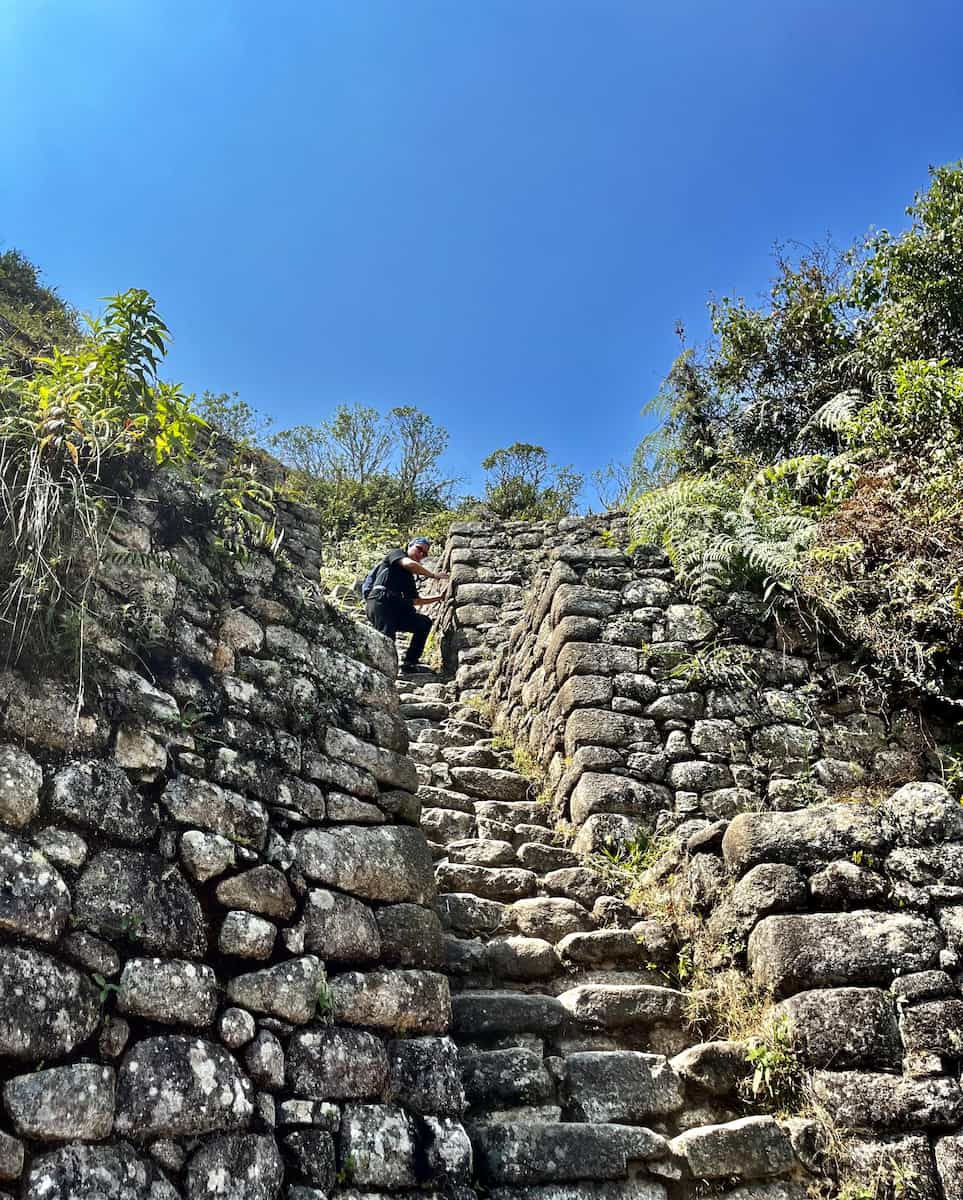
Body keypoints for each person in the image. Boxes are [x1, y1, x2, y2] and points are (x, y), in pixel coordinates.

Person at [364, 537, 449, 673]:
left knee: (423, 623)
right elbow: (408, 564)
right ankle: (382, 671)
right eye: (419, 549)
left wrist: (439, 598)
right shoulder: (397, 554)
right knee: (387, 638)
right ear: (410, 546)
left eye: (424, 554)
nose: (421, 554)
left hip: (396, 607)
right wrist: (433, 575)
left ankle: (410, 662)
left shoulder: (409, 577)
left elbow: (415, 601)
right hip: (380, 602)